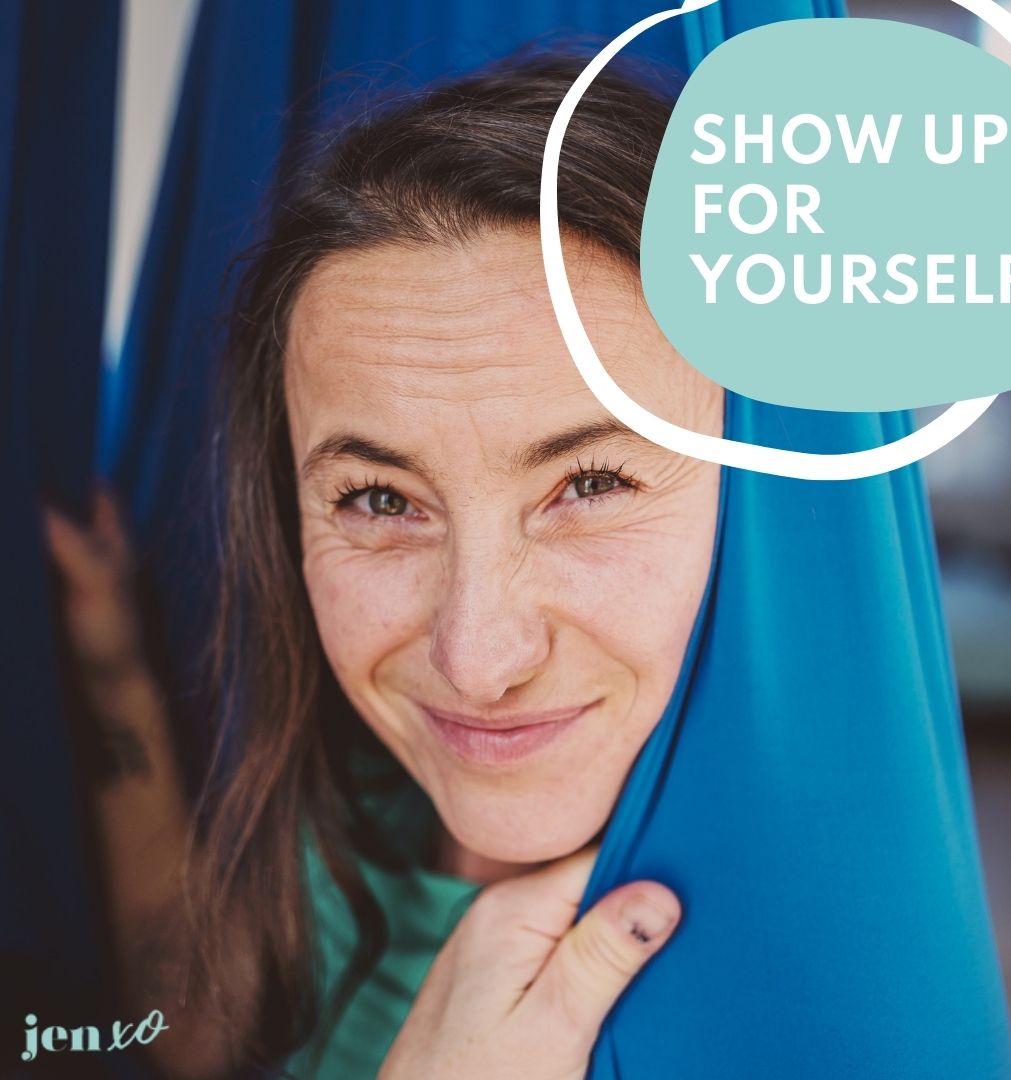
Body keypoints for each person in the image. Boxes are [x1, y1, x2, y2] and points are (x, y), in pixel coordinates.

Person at [43, 56, 726, 1079]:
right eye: (379, 499)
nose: (476, 660)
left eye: (588, 484)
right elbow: (196, 1031)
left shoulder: (785, 979)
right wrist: (111, 667)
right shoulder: (371, 795)